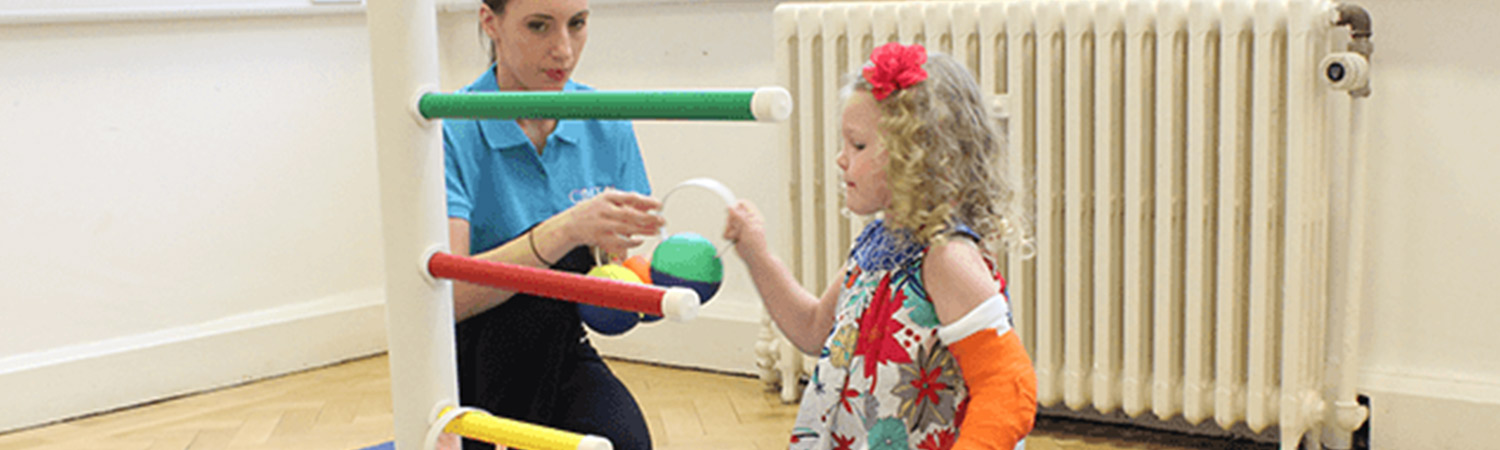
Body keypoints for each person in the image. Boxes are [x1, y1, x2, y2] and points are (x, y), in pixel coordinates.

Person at [723, 42, 1038, 450]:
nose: (840, 159)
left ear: (921, 156)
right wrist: (757, 254)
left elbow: (1007, 387)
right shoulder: (878, 244)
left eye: (857, 145)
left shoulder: (947, 258)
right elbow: (814, 329)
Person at [441, 0, 662, 449]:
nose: (563, 49)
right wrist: (565, 230)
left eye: (577, 24)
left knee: (626, 444)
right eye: (539, 26)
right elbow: (447, 302)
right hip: (470, 357)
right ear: (491, 22)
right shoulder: (451, 128)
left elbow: (617, 263)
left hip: (560, 347)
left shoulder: (604, 120)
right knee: (547, 283)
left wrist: (653, 286)